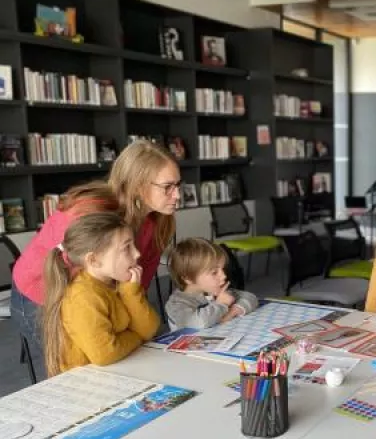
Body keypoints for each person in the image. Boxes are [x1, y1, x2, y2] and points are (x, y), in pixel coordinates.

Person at [10, 140, 180, 371]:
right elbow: (78, 290)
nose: (177, 194)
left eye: (178, 184)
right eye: (167, 186)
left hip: (95, 293)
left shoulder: (157, 221)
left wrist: (131, 325)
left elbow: (135, 287)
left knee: (114, 361)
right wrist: (133, 334)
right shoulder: (88, 213)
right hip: (44, 292)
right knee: (77, 369)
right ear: (138, 185)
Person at [40, 212, 160, 377]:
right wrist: (136, 336)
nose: (137, 254)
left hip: (117, 370)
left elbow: (149, 328)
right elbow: (105, 354)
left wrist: (131, 293)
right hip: (88, 385)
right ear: (94, 260)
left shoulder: (116, 283)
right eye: (127, 248)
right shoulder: (83, 297)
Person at [165, 238, 258, 330]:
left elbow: (251, 297)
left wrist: (233, 312)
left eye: (223, 269)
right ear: (188, 278)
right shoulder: (176, 304)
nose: (224, 276)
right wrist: (222, 304)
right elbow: (198, 322)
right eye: (214, 272)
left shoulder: (212, 290)